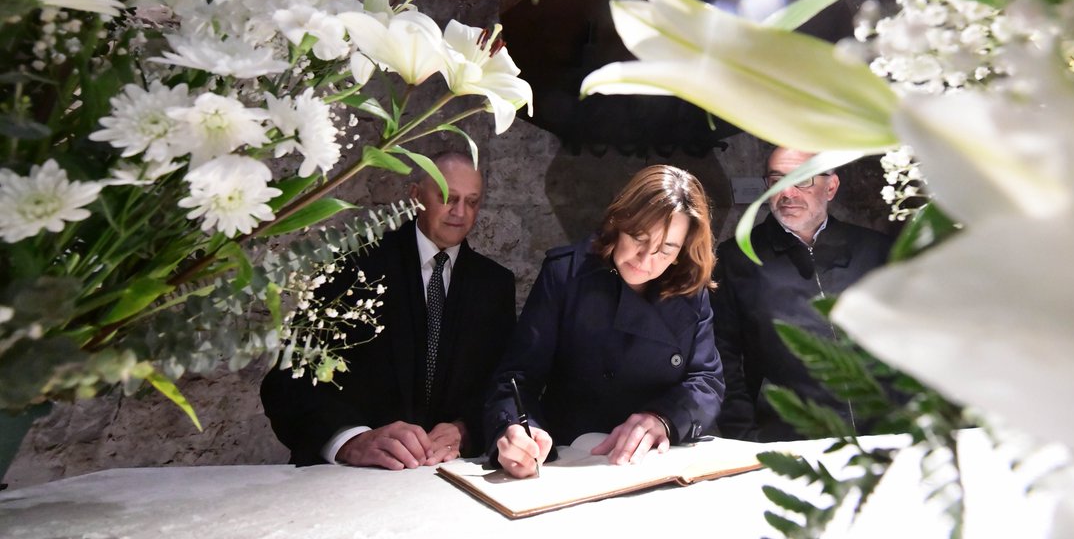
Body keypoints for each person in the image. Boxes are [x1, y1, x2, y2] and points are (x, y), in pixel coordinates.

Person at [260, 151, 516, 468]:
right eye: (447, 197)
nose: (460, 212)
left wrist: (468, 429)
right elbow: (286, 382)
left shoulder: (495, 284)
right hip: (352, 483)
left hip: (452, 482)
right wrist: (349, 440)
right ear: (415, 195)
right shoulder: (353, 265)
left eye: (472, 202)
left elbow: (504, 384)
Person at [484, 165, 724, 479]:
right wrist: (515, 429)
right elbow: (517, 377)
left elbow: (706, 381)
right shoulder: (566, 274)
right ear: (618, 222)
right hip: (579, 459)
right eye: (639, 238)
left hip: (662, 460)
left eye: (666, 249)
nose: (646, 259)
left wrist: (663, 418)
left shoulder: (689, 288)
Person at [711, 147, 893, 441]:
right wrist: (742, 433)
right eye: (777, 181)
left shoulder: (875, 250)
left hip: (883, 432)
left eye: (803, 180)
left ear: (830, 187)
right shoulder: (736, 259)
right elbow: (723, 354)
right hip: (788, 436)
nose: (788, 193)